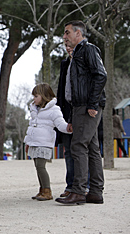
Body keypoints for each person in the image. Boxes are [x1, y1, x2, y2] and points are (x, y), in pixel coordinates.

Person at [55, 20, 107, 205]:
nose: (64, 37)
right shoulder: (76, 54)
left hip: (87, 106)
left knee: (78, 146)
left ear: (79, 34)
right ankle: (95, 192)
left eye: (67, 32)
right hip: (79, 107)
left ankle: (78, 191)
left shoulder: (88, 50)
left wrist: (92, 104)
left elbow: (101, 75)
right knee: (92, 148)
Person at [25, 84, 72, 201]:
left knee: (41, 166)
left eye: (36, 96)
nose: (34, 99)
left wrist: (68, 128)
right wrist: (28, 142)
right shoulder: (35, 110)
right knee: (37, 166)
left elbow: (60, 124)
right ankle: (42, 189)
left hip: (44, 143)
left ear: (44, 96)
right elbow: (32, 126)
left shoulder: (54, 110)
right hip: (34, 142)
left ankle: (47, 190)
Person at [55, 44, 75, 198]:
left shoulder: (84, 63)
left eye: (71, 46)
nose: (68, 48)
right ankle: (70, 185)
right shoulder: (65, 64)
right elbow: (61, 91)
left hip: (81, 112)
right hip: (66, 113)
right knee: (67, 151)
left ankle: (83, 186)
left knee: (81, 151)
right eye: (67, 46)